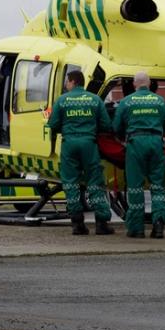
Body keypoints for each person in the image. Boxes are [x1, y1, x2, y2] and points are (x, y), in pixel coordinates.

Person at [47, 69, 114, 236]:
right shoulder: (95, 100)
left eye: (67, 82)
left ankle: (77, 223)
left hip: (69, 145)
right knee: (95, 183)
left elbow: (53, 125)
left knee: (70, 183)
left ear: (73, 82)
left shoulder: (62, 100)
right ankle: (101, 224)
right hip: (89, 145)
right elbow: (106, 125)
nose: (65, 85)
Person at [112, 71, 165, 239]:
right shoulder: (159, 100)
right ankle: (158, 224)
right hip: (156, 143)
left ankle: (136, 229)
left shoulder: (126, 101)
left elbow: (116, 127)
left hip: (135, 144)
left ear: (134, 84)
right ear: (150, 83)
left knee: (135, 187)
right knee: (158, 186)